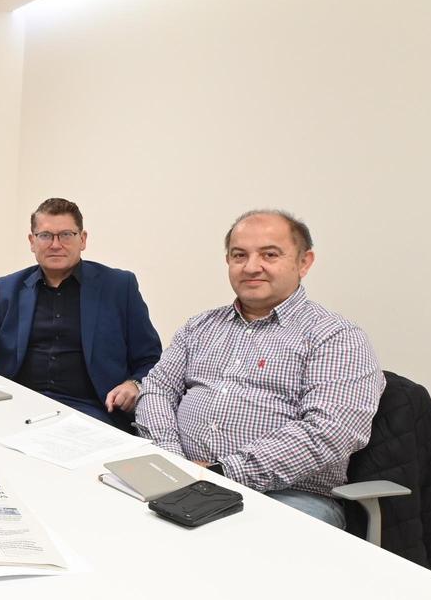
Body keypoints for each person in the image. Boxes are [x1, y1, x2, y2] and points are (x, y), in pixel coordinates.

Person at [135, 210, 384, 528]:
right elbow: (158, 386)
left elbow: (328, 433)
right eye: (239, 255)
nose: (251, 267)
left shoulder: (335, 337)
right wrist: (171, 460)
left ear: (304, 262)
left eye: (269, 254)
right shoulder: (200, 326)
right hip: (181, 479)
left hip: (287, 495)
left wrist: (219, 474)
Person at [0, 198, 162, 427]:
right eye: (45, 236)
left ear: (82, 239)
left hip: (91, 413)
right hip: (17, 405)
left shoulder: (118, 286)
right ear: (32, 241)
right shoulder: (8, 288)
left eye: (65, 235)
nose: (55, 244)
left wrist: (134, 384)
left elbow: (150, 358)